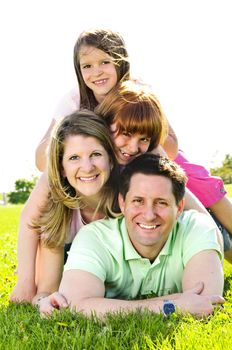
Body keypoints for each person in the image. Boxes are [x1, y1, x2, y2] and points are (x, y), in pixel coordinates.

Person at [34, 28, 232, 259]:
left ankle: (220, 245)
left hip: (149, 155)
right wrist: (73, 137)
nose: (96, 72)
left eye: (105, 62)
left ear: (120, 61)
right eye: (87, 66)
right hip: (112, 164)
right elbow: (41, 159)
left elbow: (171, 146)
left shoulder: (137, 91)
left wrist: (135, 136)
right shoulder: (75, 99)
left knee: (201, 184)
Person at [10, 81, 170, 304]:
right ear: (62, 167)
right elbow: (46, 289)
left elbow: (176, 192)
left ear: (110, 157)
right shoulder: (57, 205)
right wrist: (34, 292)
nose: (86, 167)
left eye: (95, 154)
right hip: (72, 255)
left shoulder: (128, 195)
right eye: (74, 158)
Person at [38, 154, 224, 318]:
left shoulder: (196, 226)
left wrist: (103, 304)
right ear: (122, 202)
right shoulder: (94, 237)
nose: (149, 214)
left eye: (161, 203)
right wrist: (172, 306)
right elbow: (77, 306)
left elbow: (204, 302)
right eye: (138, 201)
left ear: (179, 208)